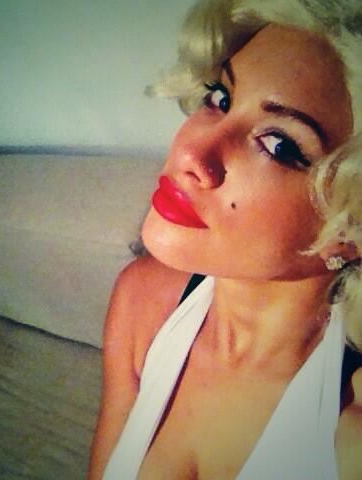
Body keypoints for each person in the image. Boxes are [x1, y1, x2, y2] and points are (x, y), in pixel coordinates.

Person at [88, 0, 362, 478]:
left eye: (279, 144)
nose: (192, 152)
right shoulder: (141, 301)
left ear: (350, 233)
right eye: (220, 99)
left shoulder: (350, 433)